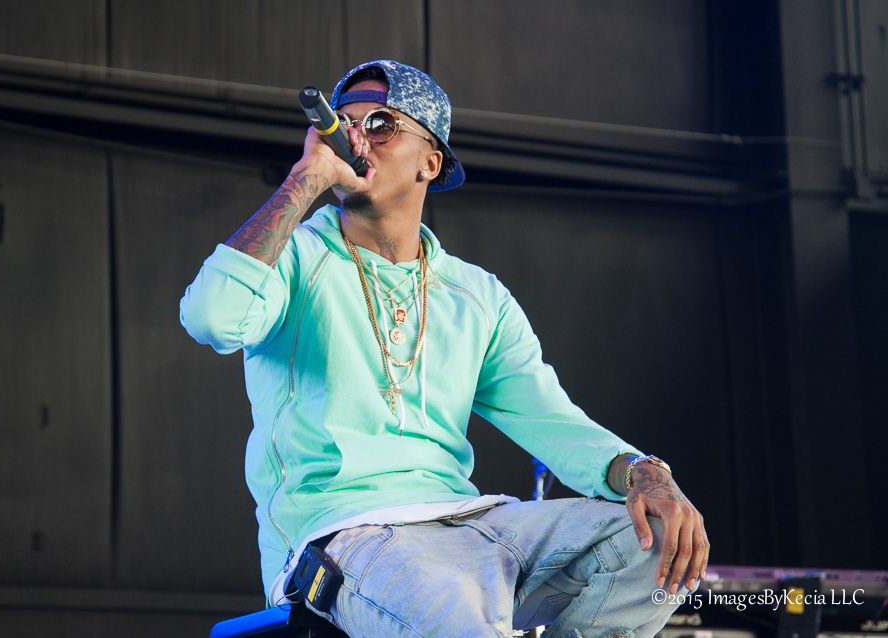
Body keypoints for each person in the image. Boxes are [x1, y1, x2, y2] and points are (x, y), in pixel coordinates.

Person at [180, 59, 708, 637]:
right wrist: (305, 179)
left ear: (430, 162)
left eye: (381, 124)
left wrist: (644, 472)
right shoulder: (289, 257)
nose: (355, 138)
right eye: (343, 123)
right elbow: (212, 318)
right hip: (351, 533)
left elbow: (553, 420)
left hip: (472, 522)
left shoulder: (475, 294)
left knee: (658, 544)